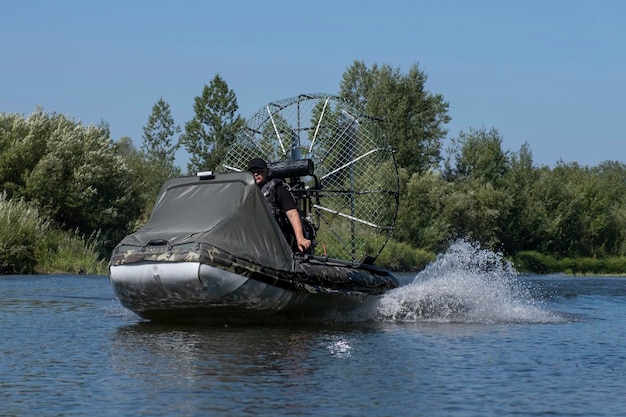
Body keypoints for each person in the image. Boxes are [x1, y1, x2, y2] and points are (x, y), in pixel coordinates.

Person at [248, 157, 312, 253]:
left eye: (259, 170)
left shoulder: (279, 190)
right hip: (252, 241)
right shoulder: (246, 192)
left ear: (266, 171)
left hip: (275, 242)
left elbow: (292, 214)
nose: (256, 174)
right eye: (252, 172)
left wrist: (300, 238)